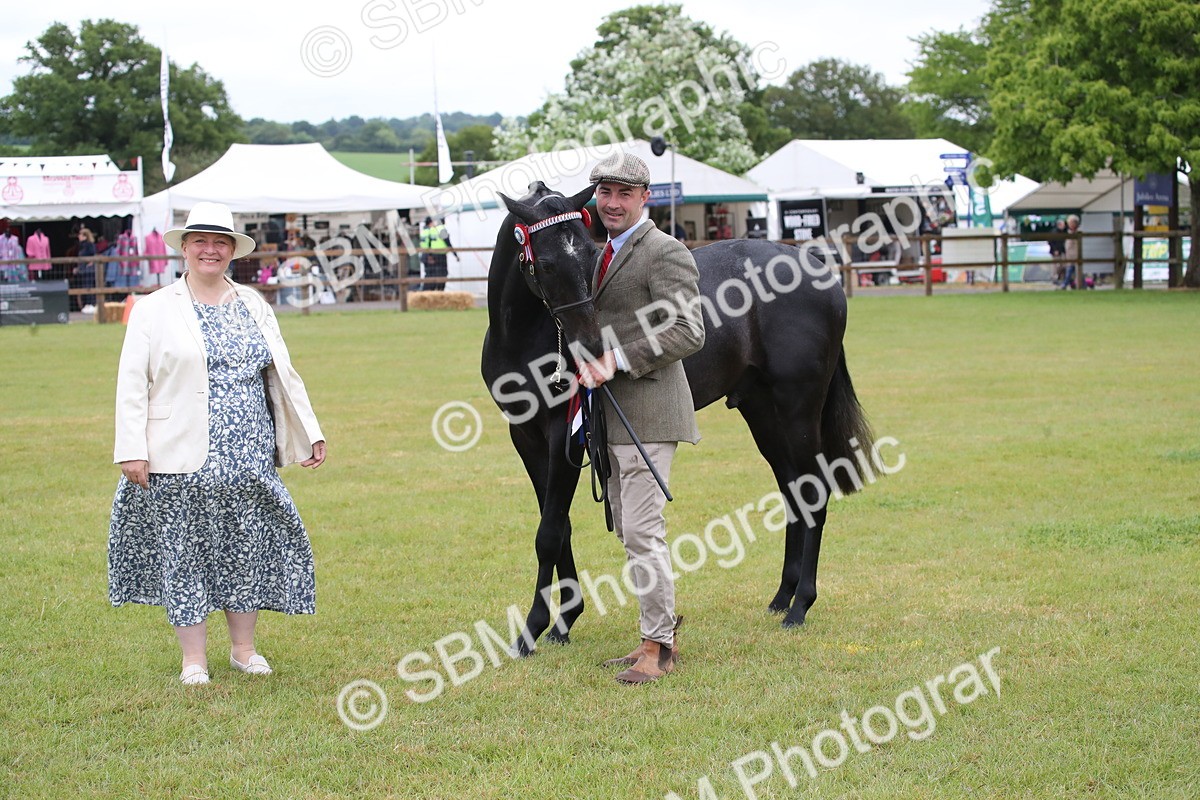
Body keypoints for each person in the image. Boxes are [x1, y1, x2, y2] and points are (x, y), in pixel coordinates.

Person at [108, 201, 327, 686]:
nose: (211, 249)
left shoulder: (254, 303)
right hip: (177, 452)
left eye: (220, 242)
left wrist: (309, 432)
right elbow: (130, 382)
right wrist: (132, 448)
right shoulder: (153, 309)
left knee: (244, 547)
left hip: (249, 452)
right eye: (201, 241)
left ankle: (244, 650)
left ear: (232, 250)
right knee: (184, 550)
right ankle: (194, 660)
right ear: (184, 248)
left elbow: (282, 373)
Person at [576, 151, 706, 685]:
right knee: (631, 531)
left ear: (644, 197)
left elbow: (688, 331)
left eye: (623, 193)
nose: (611, 202)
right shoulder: (598, 251)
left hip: (650, 412)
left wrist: (617, 359)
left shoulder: (664, 252)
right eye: (604, 192)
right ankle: (653, 634)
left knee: (644, 534)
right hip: (611, 416)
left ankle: (661, 649)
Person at [418, 216, 457, 291]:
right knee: (441, 275)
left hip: (425, 255)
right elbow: (447, 242)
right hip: (438, 255)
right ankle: (438, 291)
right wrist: (455, 254)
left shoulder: (425, 231)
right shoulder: (439, 229)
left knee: (430, 276)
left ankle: (428, 293)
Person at [1061, 214, 1081, 289]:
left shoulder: (1078, 232)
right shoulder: (1068, 232)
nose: (1070, 225)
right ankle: (1069, 284)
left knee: (1073, 271)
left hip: (1076, 255)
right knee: (1070, 271)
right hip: (1069, 255)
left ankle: (1065, 284)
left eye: (1071, 223)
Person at [1048, 218, 1068, 284]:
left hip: (1062, 251)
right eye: (1063, 225)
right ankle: (1054, 278)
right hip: (1056, 251)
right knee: (1055, 266)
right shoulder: (1054, 232)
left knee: (1063, 265)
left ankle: (1060, 277)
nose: (1064, 226)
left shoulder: (1064, 232)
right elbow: (1051, 241)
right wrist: (1055, 249)